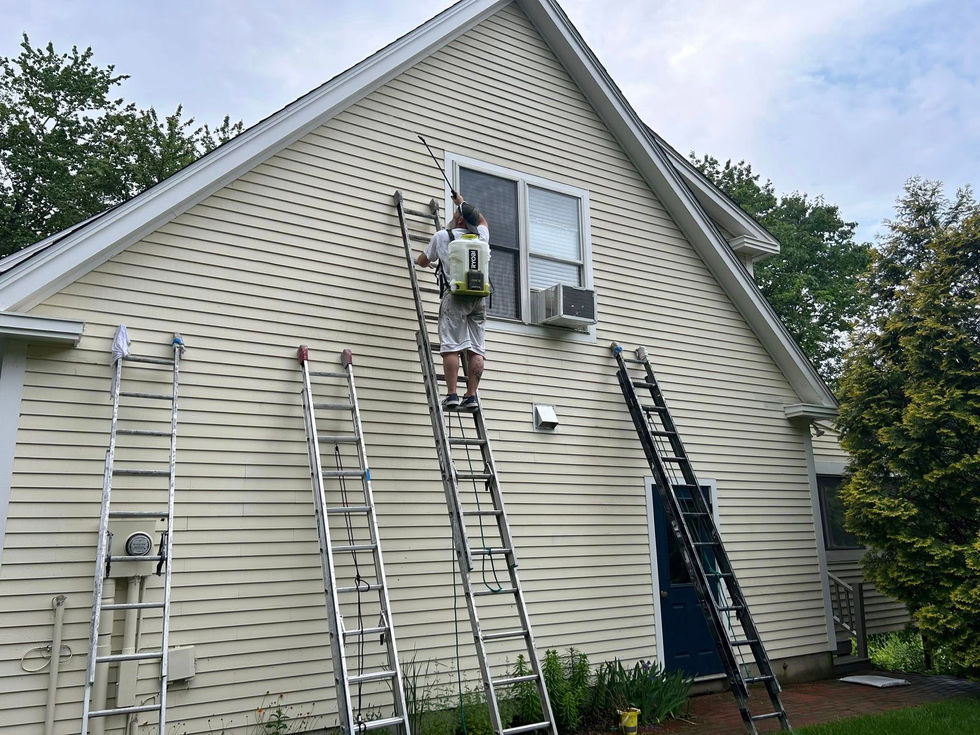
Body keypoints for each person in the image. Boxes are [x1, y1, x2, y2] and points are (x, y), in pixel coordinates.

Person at [416, 192, 489, 412]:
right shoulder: (481, 238)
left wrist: (419, 261)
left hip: (455, 297)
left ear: (460, 220)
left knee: (451, 347)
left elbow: (423, 261)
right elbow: (483, 221)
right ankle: (472, 395)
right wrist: (462, 203)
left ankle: (452, 395)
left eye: (456, 213)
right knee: (476, 349)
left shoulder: (442, 237)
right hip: (479, 298)